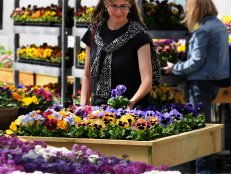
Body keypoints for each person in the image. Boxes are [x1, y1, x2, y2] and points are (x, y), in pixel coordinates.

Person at [162, 0, 229, 173]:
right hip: (214, 82)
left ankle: (203, 171)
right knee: (206, 133)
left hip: (199, 85)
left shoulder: (203, 31)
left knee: (200, 134)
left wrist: (174, 68)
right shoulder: (219, 26)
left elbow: (195, 62)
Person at [80, 0, 160, 109]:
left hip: (129, 112)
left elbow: (147, 80)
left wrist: (131, 103)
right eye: (114, 6)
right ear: (105, 4)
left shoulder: (139, 36)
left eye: (123, 6)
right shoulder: (94, 31)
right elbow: (87, 74)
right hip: (97, 109)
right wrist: (83, 105)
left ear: (130, 5)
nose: (118, 11)